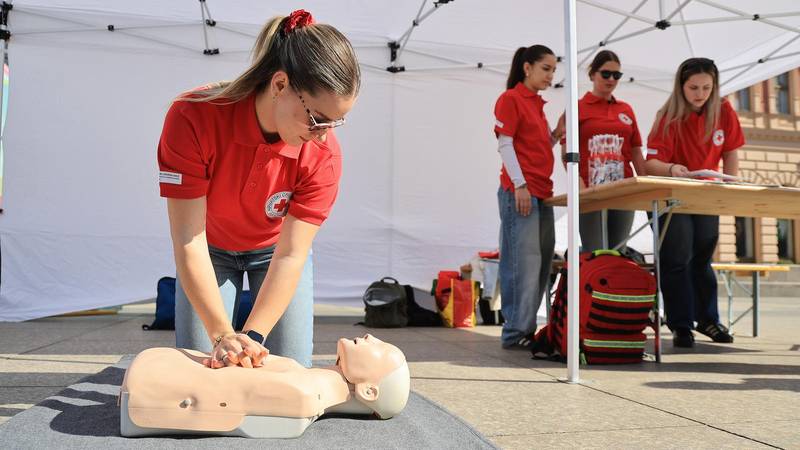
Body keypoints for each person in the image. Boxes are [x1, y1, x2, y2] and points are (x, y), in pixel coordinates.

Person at [157, 9, 360, 368]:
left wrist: (251, 339)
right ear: (280, 85)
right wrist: (222, 335)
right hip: (210, 250)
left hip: (274, 253)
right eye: (316, 119)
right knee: (204, 367)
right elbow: (188, 238)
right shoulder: (193, 117)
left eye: (335, 122)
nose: (324, 135)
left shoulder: (323, 154)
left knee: (288, 369)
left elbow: (291, 255)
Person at [120, 334, 410, 438]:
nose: (372, 336)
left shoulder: (303, 393)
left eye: (382, 350)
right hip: (157, 369)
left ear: (369, 391)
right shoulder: (304, 382)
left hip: (152, 378)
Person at [645, 57, 743, 348]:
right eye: (693, 88)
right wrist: (672, 168)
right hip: (672, 195)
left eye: (706, 88)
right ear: (681, 87)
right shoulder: (668, 116)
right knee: (677, 258)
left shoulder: (723, 109)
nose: (700, 94)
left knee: (702, 258)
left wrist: (730, 184)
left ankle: (708, 320)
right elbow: (651, 163)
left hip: (706, 194)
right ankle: (681, 325)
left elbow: (732, 150)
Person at [493, 45, 565, 350]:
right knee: (522, 264)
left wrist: (556, 136)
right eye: (546, 68)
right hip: (522, 192)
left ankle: (524, 329)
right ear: (527, 67)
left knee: (540, 263)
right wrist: (520, 185)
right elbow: (505, 144)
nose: (551, 75)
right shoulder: (511, 99)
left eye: (553, 70)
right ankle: (515, 331)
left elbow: (535, 148)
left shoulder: (536, 104)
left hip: (541, 191)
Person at [560, 50, 646, 251]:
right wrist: (578, 183)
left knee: (619, 251)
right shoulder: (576, 107)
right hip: (590, 190)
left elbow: (635, 151)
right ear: (592, 74)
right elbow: (566, 151)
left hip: (623, 189)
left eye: (617, 75)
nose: (611, 79)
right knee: (596, 251)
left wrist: (644, 184)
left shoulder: (626, 109)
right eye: (605, 74)